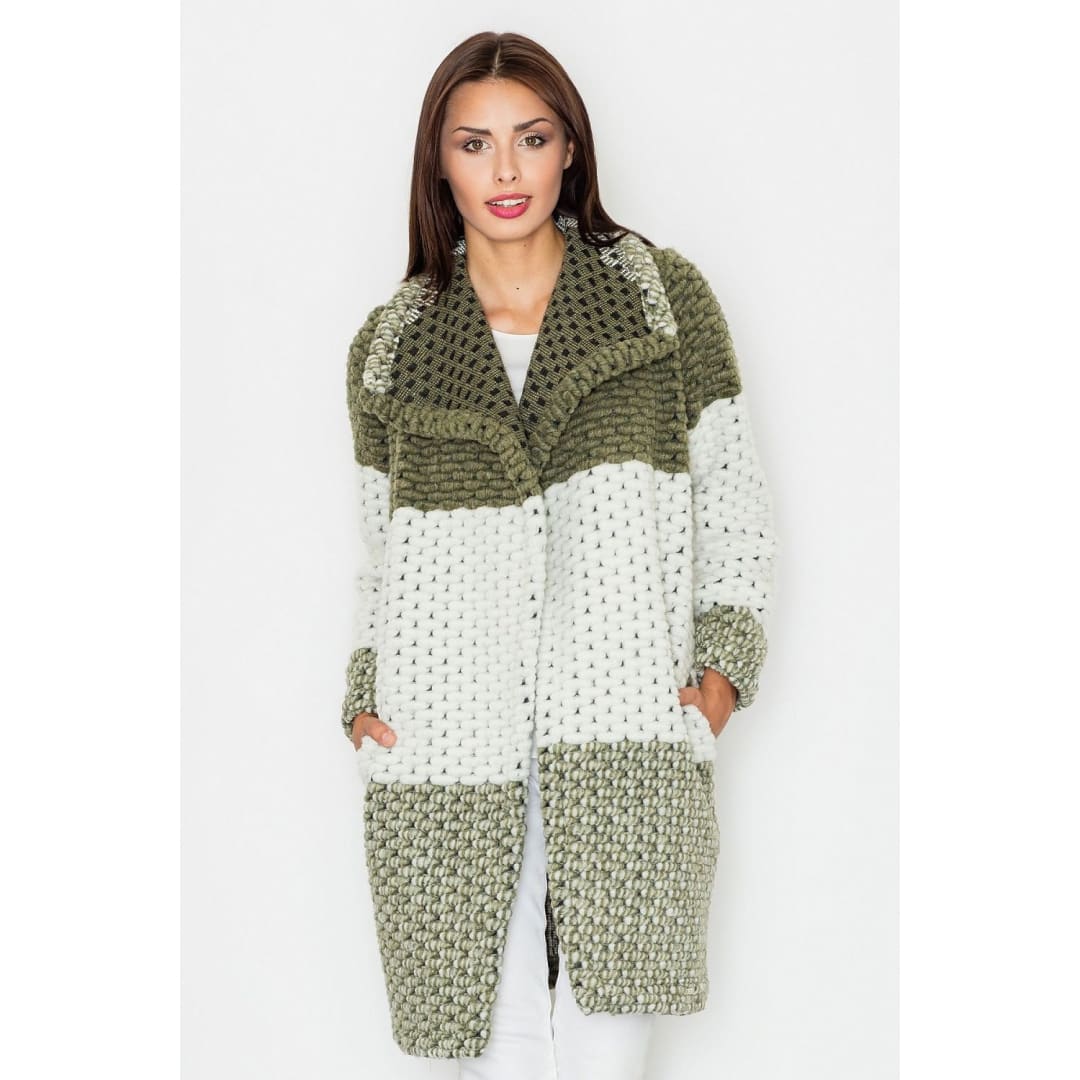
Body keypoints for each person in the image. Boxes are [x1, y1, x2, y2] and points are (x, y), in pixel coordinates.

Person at [341, 30, 778, 1080]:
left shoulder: (662, 302)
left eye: (531, 139)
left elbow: (737, 508)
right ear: (439, 162)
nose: (505, 170)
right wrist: (363, 697)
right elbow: (379, 556)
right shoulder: (394, 345)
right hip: (448, 750)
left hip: (624, 740)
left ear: (570, 149)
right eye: (474, 143)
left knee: (609, 1051)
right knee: (487, 1052)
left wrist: (719, 680)